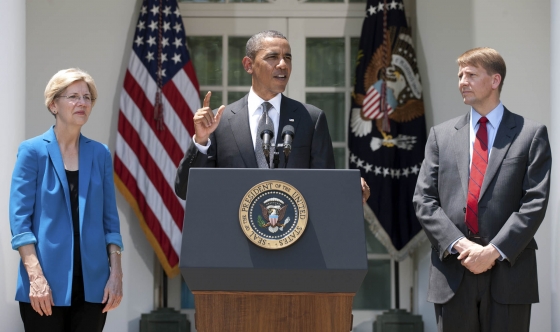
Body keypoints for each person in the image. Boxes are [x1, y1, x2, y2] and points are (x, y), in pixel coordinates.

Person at [413, 47, 551, 332]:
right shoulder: (440, 136)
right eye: (460, 75)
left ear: (495, 80)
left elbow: (535, 201)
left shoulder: (530, 134)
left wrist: (492, 252)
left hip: (508, 272)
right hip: (454, 270)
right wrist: (461, 245)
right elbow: (424, 200)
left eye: (471, 74)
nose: (462, 81)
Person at [175, 30, 370, 201]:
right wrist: (201, 141)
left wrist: (347, 187)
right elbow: (186, 190)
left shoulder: (311, 118)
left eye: (288, 57)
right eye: (273, 57)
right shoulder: (220, 121)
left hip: (294, 237)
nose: (283, 65)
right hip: (235, 239)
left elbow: (324, 185)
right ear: (248, 65)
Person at [9, 68, 124, 332]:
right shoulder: (32, 152)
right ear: (53, 104)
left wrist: (116, 273)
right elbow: (20, 222)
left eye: (87, 97)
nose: (82, 103)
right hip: (44, 284)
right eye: (73, 96)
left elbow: (110, 221)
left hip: (93, 286)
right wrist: (35, 276)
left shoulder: (100, 154)